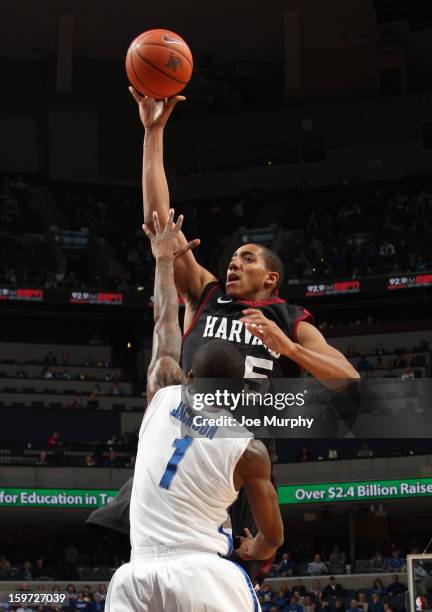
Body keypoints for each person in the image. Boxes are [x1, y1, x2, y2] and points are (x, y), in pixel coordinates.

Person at [105, 211, 283, 611]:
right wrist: (255, 547)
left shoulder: (162, 391)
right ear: (237, 391)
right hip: (203, 575)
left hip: (135, 577)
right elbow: (272, 538)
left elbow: (164, 323)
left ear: (186, 375)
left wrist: (164, 259)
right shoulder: (249, 451)